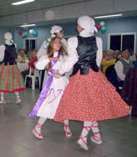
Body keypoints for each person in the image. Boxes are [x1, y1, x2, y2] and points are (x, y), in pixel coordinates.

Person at [53, 16, 130, 151]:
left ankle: (83, 136)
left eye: (78, 25)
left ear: (82, 26)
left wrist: (61, 70)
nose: (77, 26)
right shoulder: (98, 40)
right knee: (92, 106)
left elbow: (72, 60)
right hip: (94, 75)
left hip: (80, 77)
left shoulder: (73, 40)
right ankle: (97, 136)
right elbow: (98, 59)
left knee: (89, 107)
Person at [29, 35, 71, 139]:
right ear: (51, 44)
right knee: (48, 105)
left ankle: (66, 126)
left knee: (65, 104)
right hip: (53, 84)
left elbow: (69, 65)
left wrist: (61, 71)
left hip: (63, 82)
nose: (58, 44)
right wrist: (49, 59)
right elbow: (38, 66)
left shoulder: (64, 56)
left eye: (59, 42)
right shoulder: (45, 56)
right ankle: (37, 127)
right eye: (56, 42)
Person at [0, 32, 25, 104]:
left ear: (4, 38)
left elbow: (0, 59)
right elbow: (15, 56)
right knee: (15, 82)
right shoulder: (14, 45)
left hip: (5, 67)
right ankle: (18, 98)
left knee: (2, 81)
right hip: (13, 66)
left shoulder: (2, 46)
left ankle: (2, 99)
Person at [37, 25, 66, 90]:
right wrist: (47, 60)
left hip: (61, 70)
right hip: (51, 68)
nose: (63, 34)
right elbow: (40, 54)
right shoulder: (49, 41)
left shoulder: (49, 40)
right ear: (58, 32)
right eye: (62, 32)